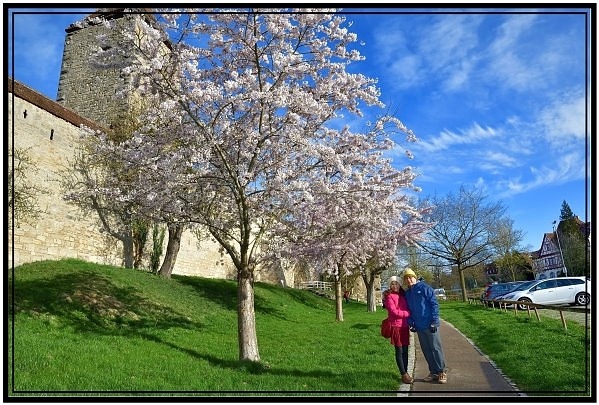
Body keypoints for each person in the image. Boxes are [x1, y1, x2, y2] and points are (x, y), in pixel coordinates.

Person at [402, 268, 447, 384]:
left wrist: (435, 321)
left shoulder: (425, 288)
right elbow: (408, 310)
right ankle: (433, 372)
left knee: (435, 348)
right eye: (406, 278)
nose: (408, 279)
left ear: (415, 277)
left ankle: (442, 371)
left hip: (430, 324)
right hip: (419, 326)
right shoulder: (407, 293)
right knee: (426, 350)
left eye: (410, 277)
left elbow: (434, 305)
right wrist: (411, 323)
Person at [382, 276, 413, 385]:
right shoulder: (389, 297)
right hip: (396, 326)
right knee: (399, 350)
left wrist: (408, 313)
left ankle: (406, 372)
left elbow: (409, 307)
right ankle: (403, 373)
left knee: (405, 350)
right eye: (392, 284)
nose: (394, 286)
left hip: (405, 327)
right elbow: (394, 311)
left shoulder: (403, 296)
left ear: (400, 285)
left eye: (396, 284)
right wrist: (407, 314)